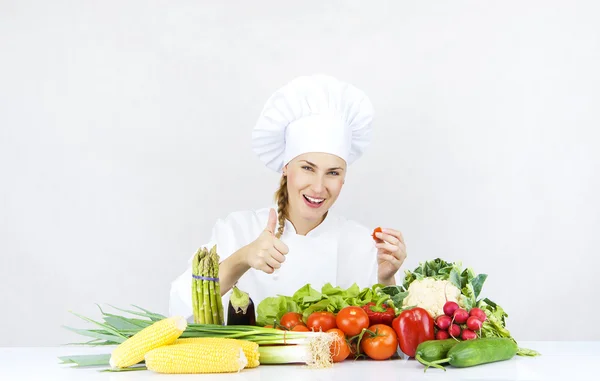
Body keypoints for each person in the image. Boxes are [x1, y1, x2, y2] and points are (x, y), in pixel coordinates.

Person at [169, 74, 407, 322]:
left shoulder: (364, 244)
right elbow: (180, 308)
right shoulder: (237, 230)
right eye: (307, 168)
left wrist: (386, 279)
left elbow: (394, 343)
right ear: (286, 167)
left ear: (344, 178)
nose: (318, 187)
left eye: (333, 173)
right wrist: (244, 257)